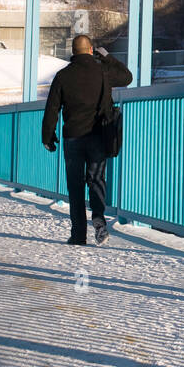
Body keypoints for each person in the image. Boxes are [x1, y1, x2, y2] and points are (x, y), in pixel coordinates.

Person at [41, 35, 133, 245]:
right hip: (98, 136)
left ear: (74, 51)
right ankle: (99, 222)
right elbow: (127, 78)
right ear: (91, 50)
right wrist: (108, 57)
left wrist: (48, 136)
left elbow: (52, 108)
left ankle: (78, 234)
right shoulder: (103, 71)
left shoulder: (63, 75)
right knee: (96, 179)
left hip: (73, 137)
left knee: (75, 185)